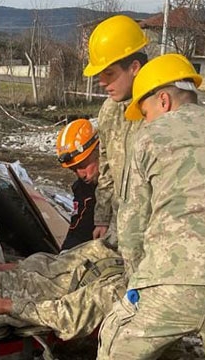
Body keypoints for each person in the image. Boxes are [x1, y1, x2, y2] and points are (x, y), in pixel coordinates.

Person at [97, 53, 205, 360]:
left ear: (163, 100)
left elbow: (131, 227)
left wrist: (141, 284)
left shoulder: (149, 137)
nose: (146, 121)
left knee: (116, 345)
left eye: (146, 112)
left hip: (169, 280)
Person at [0, 238, 125, 344]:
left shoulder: (120, 285)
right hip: (17, 281)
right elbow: (61, 262)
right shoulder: (113, 248)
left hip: (20, 302)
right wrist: (20, 266)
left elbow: (68, 316)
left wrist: (6, 306)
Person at [82, 15, 148, 242]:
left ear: (134, 67)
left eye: (109, 73)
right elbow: (107, 167)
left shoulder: (162, 112)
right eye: (100, 74)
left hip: (152, 230)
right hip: (119, 225)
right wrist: (102, 218)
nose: (102, 82)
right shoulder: (110, 110)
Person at [55, 119, 100, 250]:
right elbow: (78, 230)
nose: (81, 174)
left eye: (83, 166)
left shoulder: (124, 180)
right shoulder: (83, 189)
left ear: (98, 150)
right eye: (74, 170)